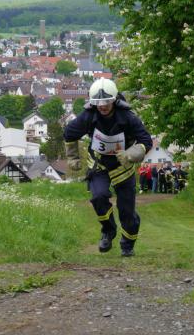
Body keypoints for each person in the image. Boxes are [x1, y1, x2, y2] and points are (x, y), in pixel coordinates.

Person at [64, 78, 152, 257]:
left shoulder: (128, 117)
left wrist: (130, 154)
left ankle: (127, 245)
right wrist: (73, 157)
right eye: (98, 103)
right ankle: (108, 231)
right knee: (99, 197)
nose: (102, 107)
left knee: (127, 211)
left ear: (114, 100)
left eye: (106, 102)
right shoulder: (88, 116)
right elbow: (69, 133)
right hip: (99, 165)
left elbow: (146, 141)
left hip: (123, 167)